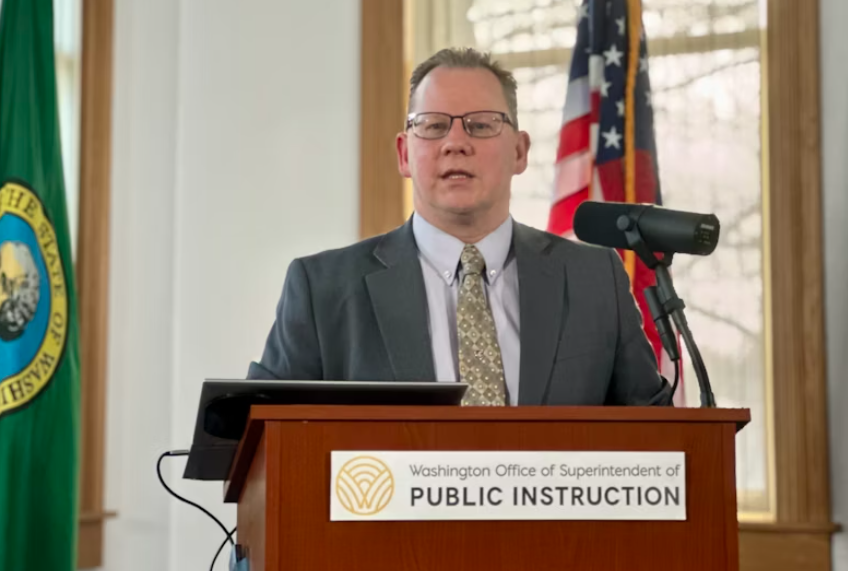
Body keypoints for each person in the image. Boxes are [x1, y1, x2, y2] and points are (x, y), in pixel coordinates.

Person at [247, 47, 672, 406]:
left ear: (520, 151)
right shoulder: (322, 290)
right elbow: (262, 442)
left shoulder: (593, 280)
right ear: (404, 154)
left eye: (482, 124)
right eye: (433, 126)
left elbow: (659, 441)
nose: (455, 142)